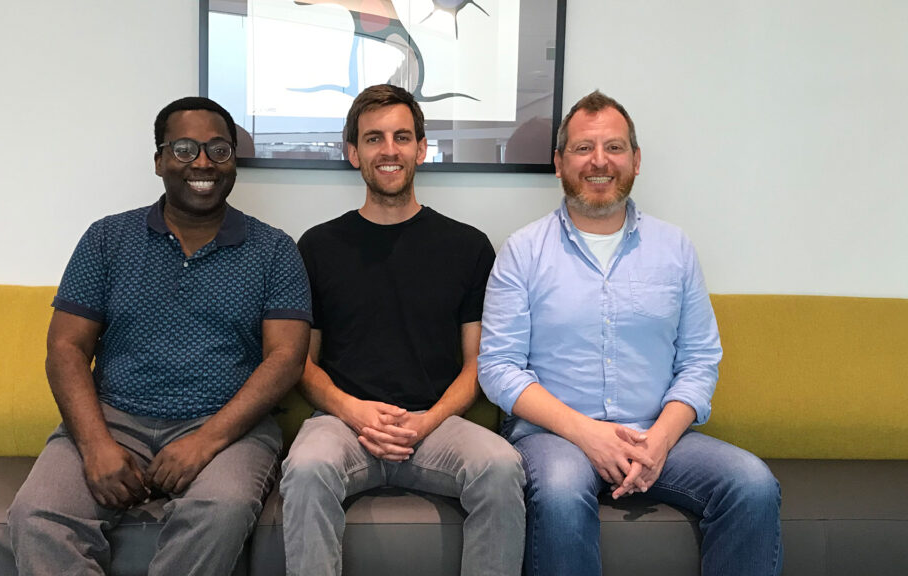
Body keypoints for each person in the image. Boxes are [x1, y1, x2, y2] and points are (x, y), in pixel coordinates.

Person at [478, 90, 782, 576]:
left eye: (614, 148)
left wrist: (659, 440)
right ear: (559, 163)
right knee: (558, 493)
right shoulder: (523, 251)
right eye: (583, 148)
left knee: (752, 483)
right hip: (555, 437)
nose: (600, 161)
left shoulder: (675, 249)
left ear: (636, 160)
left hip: (656, 433)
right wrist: (589, 434)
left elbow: (700, 360)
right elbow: (498, 368)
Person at [7, 97, 312, 575]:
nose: (204, 163)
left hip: (227, 426)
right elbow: (66, 347)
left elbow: (287, 358)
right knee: (37, 516)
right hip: (113, 418)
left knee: (221, 508)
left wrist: (206, 440)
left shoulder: (274, 249)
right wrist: (95, 446)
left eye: (219, 150)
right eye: (186, 149)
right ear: (159, 160)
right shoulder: (107, 239)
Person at [280, 84, 525, 576]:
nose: (389, 150)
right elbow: (300, 364)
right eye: (373, 139)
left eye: (401, 137)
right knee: (306, 469)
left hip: (436, 425)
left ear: (421, 148)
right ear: (353, 153)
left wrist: (425, 421)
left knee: (501, 467)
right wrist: (355, 412)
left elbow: (479, 364)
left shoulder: (469, 247)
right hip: (344, 423)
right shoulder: (317, 246)